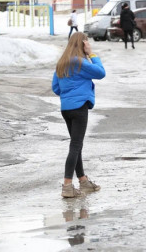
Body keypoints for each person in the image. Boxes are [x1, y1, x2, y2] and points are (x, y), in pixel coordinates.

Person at [52, 32, 106, 198]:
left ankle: (83, 181)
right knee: (75, 146)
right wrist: (92, 54)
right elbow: (100, 73)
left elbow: (56, 88)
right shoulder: (80, 62)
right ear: (82, 44)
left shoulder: (62, 63)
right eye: (86, 42)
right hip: (79, 107)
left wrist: (69, 93)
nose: (88, 45)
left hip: (66, 108)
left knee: (76, 145)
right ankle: (67, 185)